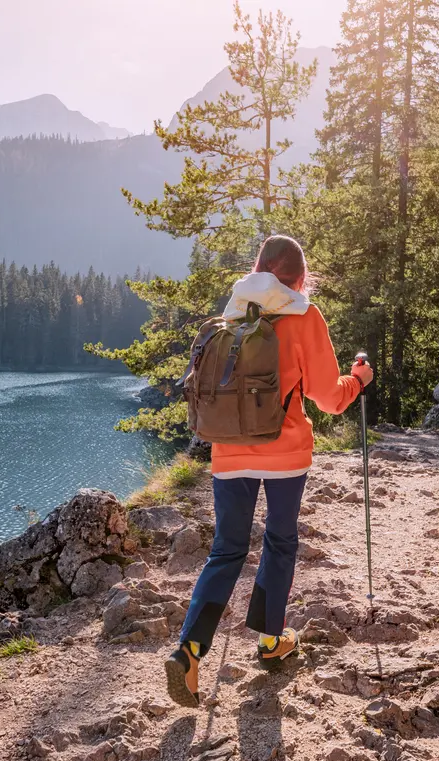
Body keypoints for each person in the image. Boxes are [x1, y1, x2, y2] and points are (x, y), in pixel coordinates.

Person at [164, 235, 374, 708]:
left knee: (226, 550)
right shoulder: (304, 316)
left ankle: (190, 651)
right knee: (279, 543)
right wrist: (358, 378)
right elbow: (329, 398)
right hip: (285, 454)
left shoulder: (233, 313)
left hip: (229, 452)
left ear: (257, 269)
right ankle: (270, 640)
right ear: (301, 278)